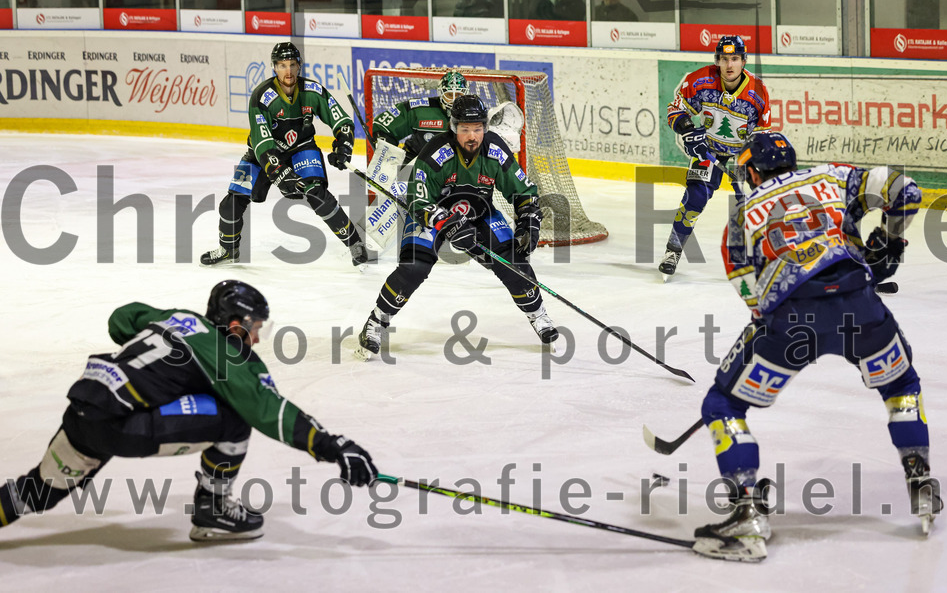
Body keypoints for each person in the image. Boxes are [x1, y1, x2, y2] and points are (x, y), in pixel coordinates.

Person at [692, 131, 941, 562]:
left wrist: (767, 319)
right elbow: (906, 191)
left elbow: (749, 291)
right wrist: (891, 242)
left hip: (792, 324)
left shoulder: (741, 216)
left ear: (751, 170)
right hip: (862, 309)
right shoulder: (834, 177)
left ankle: (747, 514)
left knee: (723, 407)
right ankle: (919, 479)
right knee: (901, 385)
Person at [0, 280, 378, 541]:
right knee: (234, 420)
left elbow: (121, 318)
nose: (258, 338)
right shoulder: (225, 355)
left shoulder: (176, 316)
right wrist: (333, 445)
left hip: (84, 407)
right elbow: (268, 410)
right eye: (255, 328)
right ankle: (213, 507)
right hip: (120, 425)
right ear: (236, 324)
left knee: (36, 492)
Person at [357, 94, 557, 361]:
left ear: (485, 128)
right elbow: (418, 199)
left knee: (515, 262)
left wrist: (528, 221)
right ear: (453, 128)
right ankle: (376, 322)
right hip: (433, 215)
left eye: (477, 129)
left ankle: (538, 315)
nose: (472, 135)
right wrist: (444, 221)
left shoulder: (495, 150)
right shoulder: (437, 153)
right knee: (414, 267)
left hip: (479, 212)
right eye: (465, 129)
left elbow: (523, 191)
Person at [201, 42, 368, 268]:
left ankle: (354, 243)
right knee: (230, 204)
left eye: (291, 65)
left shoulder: (312, 91)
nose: (287, 71)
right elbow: (262, 142)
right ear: (274, 67)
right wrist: (279, 171)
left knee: (318, 195)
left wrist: (344, 144)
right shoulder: (261, 96)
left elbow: (341, 120)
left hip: (302, 147)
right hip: (265, 153)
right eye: (281, 66)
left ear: (299, 66)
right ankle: (229, 249)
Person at [659, 35, 770, 279]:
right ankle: (673, 251)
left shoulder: (758, 93)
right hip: (707, 150)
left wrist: (750, 166)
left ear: (743, 61)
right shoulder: (700, 80)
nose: (729, 65)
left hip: (742, 155)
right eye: (723, 59)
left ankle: (765, 257)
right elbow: (675, 109)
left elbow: (762, 137)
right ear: (717, 61)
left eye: (735, 59)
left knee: (754, 205)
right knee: (695, 199)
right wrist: (688, 128)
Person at [370, 69, 468, 167]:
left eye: (459, 95)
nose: (454, 100)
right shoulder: (420, 110)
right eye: (449, 95)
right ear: (441, 93)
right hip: (414, 164)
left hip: (451, 170)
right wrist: (386, 153)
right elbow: (382, 127)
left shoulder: (475, 115)